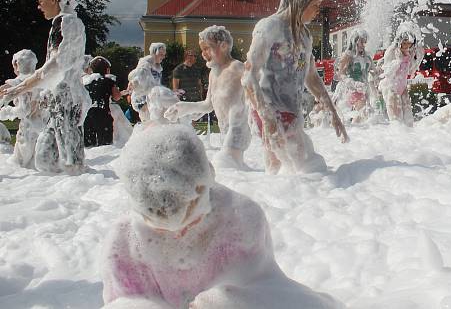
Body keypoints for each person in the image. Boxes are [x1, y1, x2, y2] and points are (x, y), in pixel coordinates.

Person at [101, 123, 341, 309]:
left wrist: (226, 302)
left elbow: (271, 290)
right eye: (160, 225)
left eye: (192, 215)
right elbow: (124, 301)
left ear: (207, 179)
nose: (180, 231)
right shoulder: (123, 242)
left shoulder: (241, 218)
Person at [242, 0, 348, 174]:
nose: (318, 10)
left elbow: (311, 77)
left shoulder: (305, 36)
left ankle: (279, 200)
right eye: (314, 4)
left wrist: (333, 112)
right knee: (299, 167)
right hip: (268, 108)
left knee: (287, 168)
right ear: (300, 1)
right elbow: (248, 76)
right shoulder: (270, 27)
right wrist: (266, 116)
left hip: (290, 111)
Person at [0, 0, 91, 174]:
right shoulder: (65, 22)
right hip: (62, 100)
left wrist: (18, 88)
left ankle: (76, 197)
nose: (38, 5)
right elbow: (53, 71)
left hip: (67, 100)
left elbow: (54, 68)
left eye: (40, 0)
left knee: (68, 161)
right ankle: (67, 195)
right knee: (47, 157)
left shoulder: (66, 22)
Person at [166, 26, 252, 170]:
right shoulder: (213, 74)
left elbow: (254, 90)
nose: (203, 54)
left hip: (238, 130)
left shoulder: (236, 67)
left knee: (224, 168)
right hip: (225, 132)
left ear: (223, 46)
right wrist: (183, 107)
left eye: (207, 48)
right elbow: (208, 105)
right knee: (232, 170)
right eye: (202, 50)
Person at [0, 49, 47, 168]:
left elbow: (24, 110)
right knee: (39, 167)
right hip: (41, 128)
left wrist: (7, 112)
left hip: (27, 130)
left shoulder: (17, 83)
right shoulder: (41, 81)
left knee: (22, 166)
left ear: (17, 64)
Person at [378, 21, 426, 126]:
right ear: (399, 40)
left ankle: (408, 140)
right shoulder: (391, 51)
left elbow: (410, 71)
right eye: (405, 43)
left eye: (410, 43)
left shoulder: (409, 53)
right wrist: (398, 61)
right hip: (391, 88)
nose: (407, 46)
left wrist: (419, 56)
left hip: (403, 87)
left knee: (408, 120)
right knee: (396, 120)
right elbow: (387, 73)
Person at [333, 29, 372, 123]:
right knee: (362, 115)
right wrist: (353, 83)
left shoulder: (367, 57)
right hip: (349, 90)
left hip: (363, 90)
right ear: (354, 41)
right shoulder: (348, 56)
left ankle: (356, 135)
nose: (363, 44)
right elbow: (340, 74)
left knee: (364, 116)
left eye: (365, 41)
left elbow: (372, 71)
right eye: (361, 41)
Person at [82, 56, 122, 147]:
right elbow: (116, 97)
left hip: (87, 116)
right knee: (105, 145)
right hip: (103, 115)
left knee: (89, 146)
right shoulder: (108, 81)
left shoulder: (85, 82)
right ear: (107, 70)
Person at [128, 42, 166, 122]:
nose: (163, 56)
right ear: (154, 52)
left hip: (152, 98)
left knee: (154, 122)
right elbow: (137, 78)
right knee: (149, 122)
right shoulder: (145, 64)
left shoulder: (158, 68)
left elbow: (157, 84)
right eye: (161, 54)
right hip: (143, 99)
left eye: (164, 54)